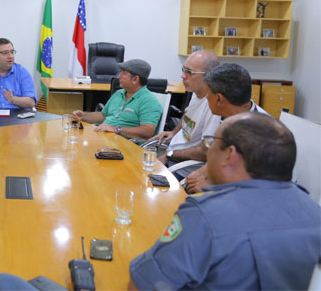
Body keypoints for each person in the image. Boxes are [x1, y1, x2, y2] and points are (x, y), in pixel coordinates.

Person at [129, 112, 321, 290]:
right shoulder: (314, 212)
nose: (208, 150)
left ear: (229, 155)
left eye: (211, 142)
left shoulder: (205, 215)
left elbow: (143, 284)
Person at [184, 63, 268, 193]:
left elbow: (256, 193)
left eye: (208, 94)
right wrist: (198, 173)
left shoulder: (261, 134)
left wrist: (208, 189)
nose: (206, 98)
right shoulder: (232, 113)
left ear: (218, 99)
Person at [152, 51, 220, 176]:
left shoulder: (214, 107)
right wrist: (173, 132)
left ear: (209, 76)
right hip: (171, 158)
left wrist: (170, 155)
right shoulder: (196, 92)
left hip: (183, 171)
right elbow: (188, 116)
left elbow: (206, 152)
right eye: (183, 70)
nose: (182, 76)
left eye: (189, 72)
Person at [72, 59, 162, 139]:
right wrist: (83, 116)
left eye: (124, 73)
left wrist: (116, 129)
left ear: (135, 79)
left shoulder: (149, 101)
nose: (119, 76)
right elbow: (103, 116)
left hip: (125, 146)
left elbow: (147, 131)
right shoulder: (119, 93)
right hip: (104, 138)